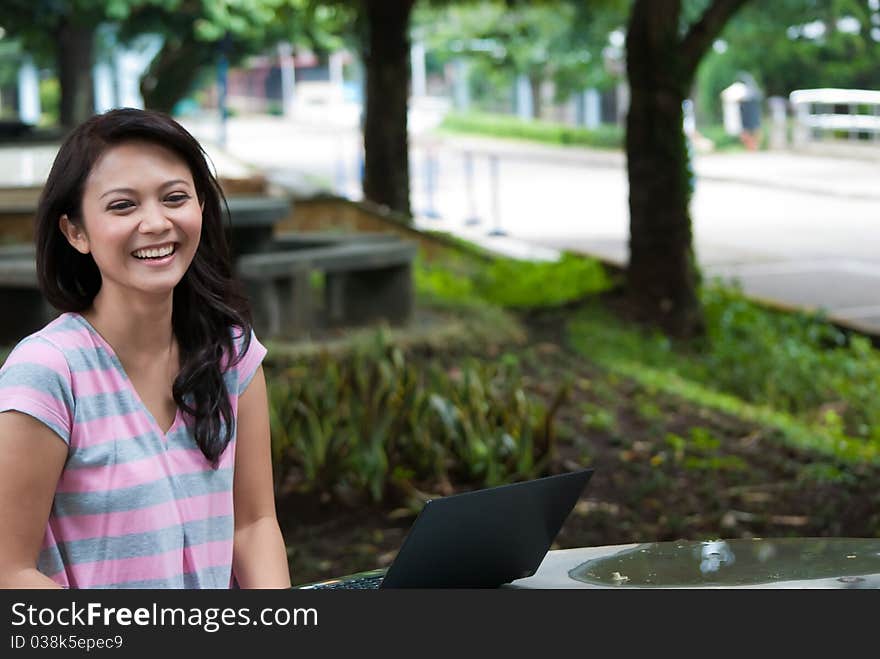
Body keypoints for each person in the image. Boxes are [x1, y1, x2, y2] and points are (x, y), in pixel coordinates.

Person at [0, 108, 291, 589]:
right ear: (76, 231)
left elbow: (253, 525)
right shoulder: (47, 373)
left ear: (201, 207)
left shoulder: (231, 354)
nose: (155, 223)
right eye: (122, 206)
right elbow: (10, 572)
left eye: (175, 198)